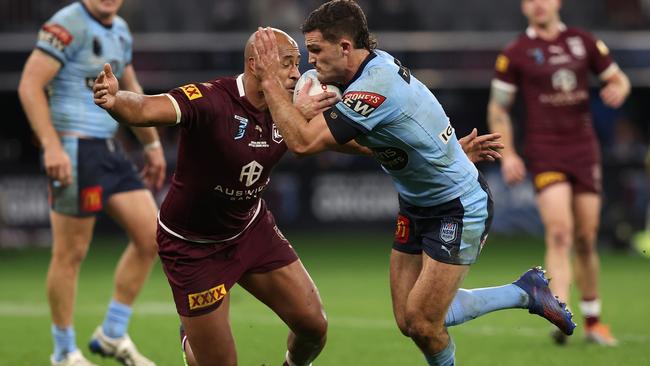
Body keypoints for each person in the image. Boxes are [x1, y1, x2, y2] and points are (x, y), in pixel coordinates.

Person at [92, 25, 507, 366]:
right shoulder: (212, 100)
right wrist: (115, 101)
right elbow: (146, 108)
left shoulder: (289, 106)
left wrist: (440, 152)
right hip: (193, 246)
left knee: (314, 327)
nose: (298, 71)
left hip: (250, 230)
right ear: (256, 64)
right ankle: (192, 339)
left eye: (298, 61)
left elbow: (357, 143)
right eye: (287, 62)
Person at [250, 1, 576, 365]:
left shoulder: (376, 86)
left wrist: (268, 80)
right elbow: (373, 138)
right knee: (408, 319)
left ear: (344, 47)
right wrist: (446, 148)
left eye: (315, 50)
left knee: (424, 323)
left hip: (458, 204)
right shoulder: (366, 72)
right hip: (416, 203)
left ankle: (524, 294)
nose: (311, 62)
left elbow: (304, 143)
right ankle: (524, 291)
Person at [17, 1, 164, 365]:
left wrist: (152, 143)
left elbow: (130, 86)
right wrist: (51, 145)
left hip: (109, 148)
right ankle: (64, 351)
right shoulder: (67, 23)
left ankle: (112, 333)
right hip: (73, 147)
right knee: (71, 253)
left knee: (152, 236)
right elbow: (29, 85)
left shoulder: (121, 30)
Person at [487, 0, 630, 346]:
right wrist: (509, 155)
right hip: (545, 150)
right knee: (561, 231)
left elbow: (619, 79)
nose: (538, 4)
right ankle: (560, 311)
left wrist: (618, 89)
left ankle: (594, 321)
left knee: (585, 237)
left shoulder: (583, 41)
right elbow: (498, 107)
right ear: (523, 7)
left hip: (583, 149)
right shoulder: (516, 52)